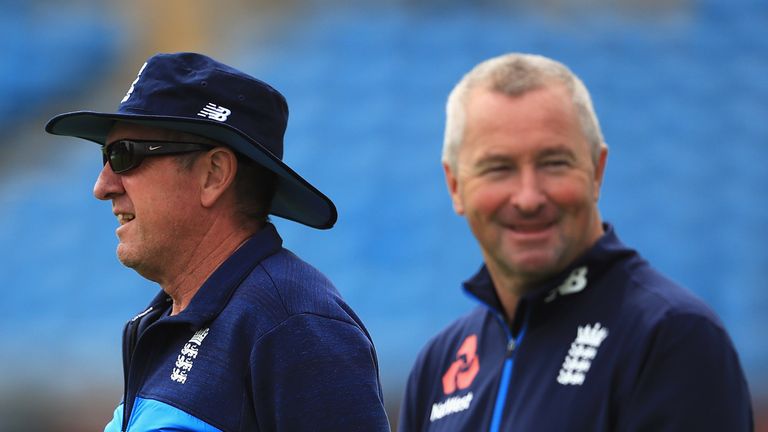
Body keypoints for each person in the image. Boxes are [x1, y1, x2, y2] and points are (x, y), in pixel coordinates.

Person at [398, 53, 753, 431]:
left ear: (597, 171)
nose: (528, 197)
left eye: (554, 163)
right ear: (455, 186)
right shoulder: (439, 363)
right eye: (498, 168)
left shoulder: (672, 337)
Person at [45, 52, 390, 432]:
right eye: (104, 156)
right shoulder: (164, 320)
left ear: (214, 174)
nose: (102, 187)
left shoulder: (293, 324)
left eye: (124, 155)